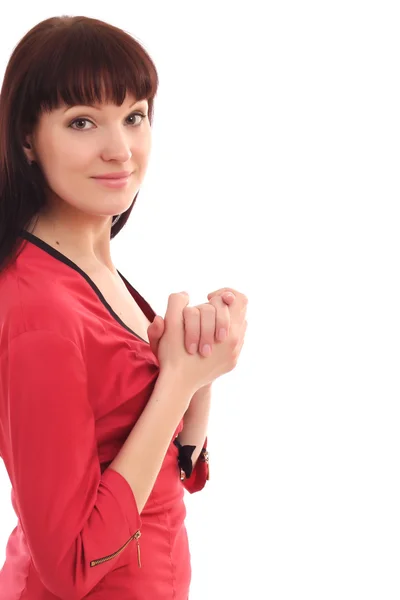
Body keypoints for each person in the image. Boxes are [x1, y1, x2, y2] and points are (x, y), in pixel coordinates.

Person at [0, 15, 248, 600]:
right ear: (28, 139)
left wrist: (194, 374)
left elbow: (161, 468)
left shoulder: (91, 265)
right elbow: (72, 565)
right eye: (83, 122)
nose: (120, 150)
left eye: (134, 116)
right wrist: (176, 386)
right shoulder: (39, 314)